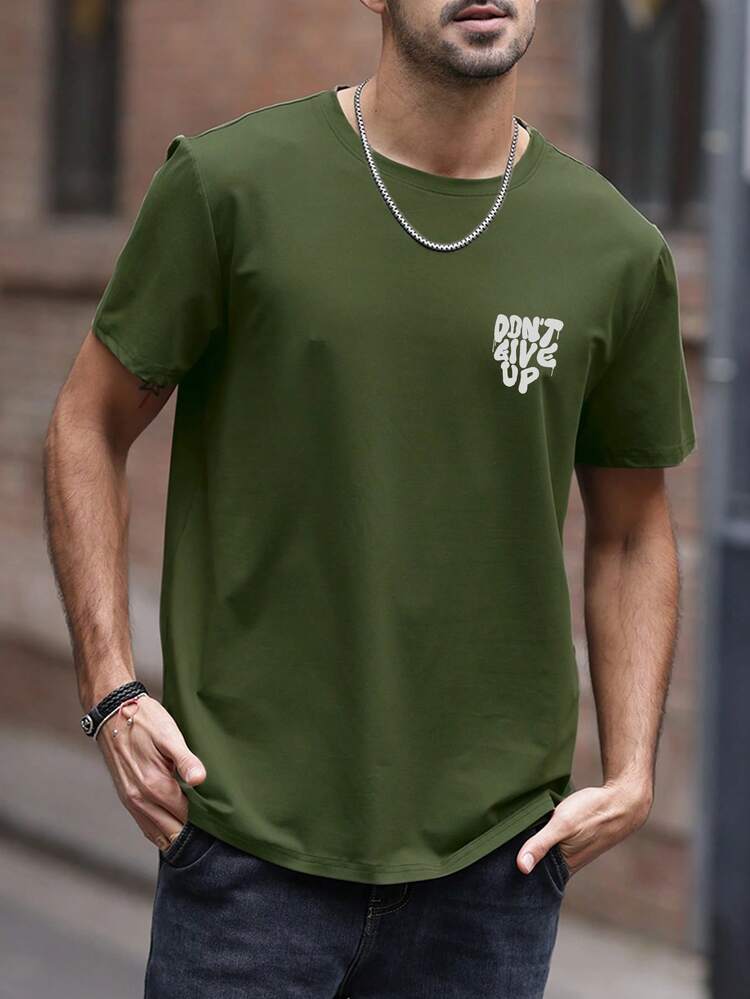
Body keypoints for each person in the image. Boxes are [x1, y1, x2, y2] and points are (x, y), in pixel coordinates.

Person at [42, 0, 697, 996]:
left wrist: (634, 771)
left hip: (494, 872)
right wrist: (112, 691)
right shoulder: (230, 187)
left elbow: (633, 531)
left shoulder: (614, 249)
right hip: (248, 854)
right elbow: (86, 426)